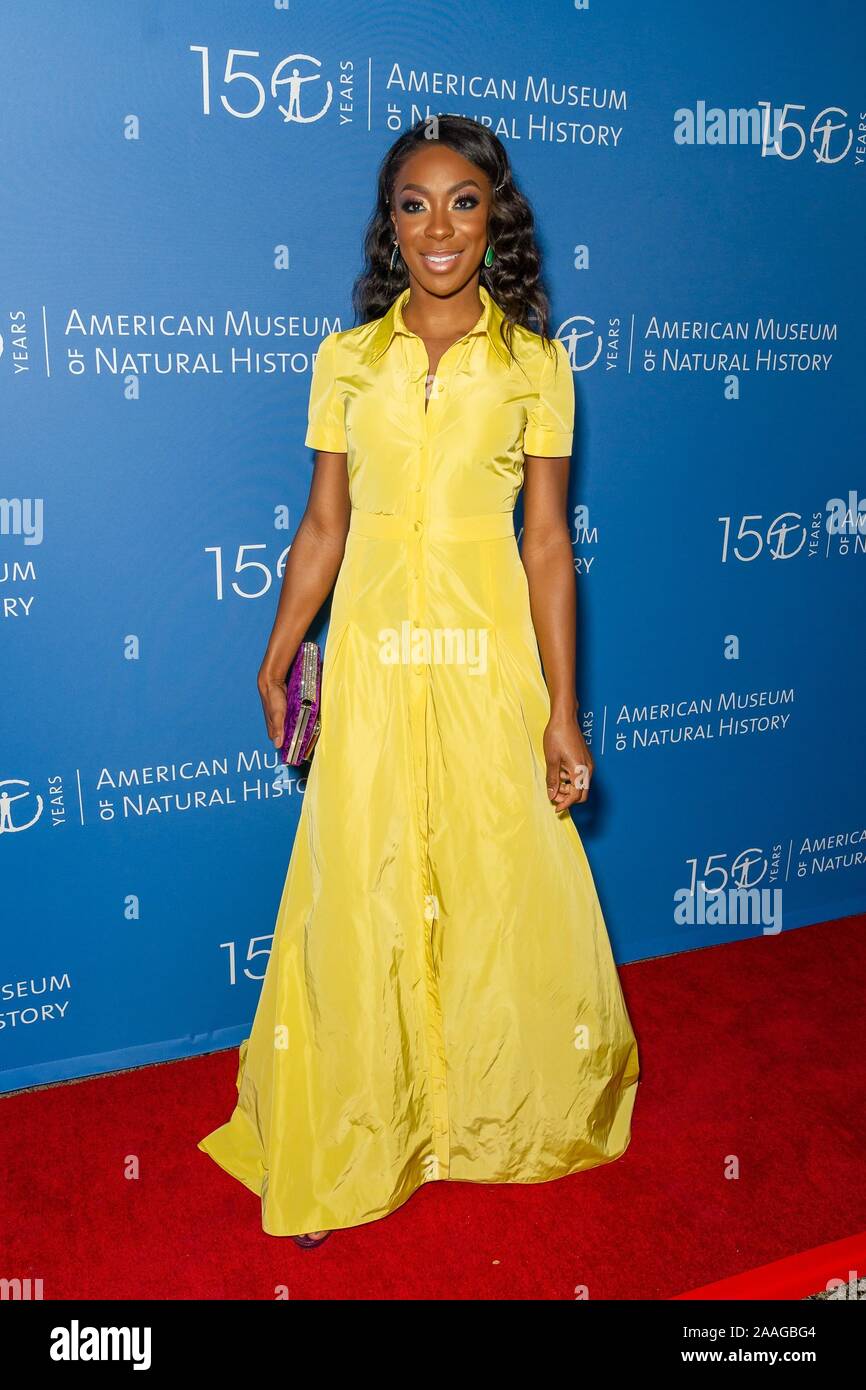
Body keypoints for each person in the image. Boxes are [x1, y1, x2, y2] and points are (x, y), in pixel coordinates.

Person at [197, 114, 640, 1248]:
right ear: (388, 227)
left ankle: (499, 1114)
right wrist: (278, 645)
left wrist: (562, 710)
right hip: (380, 645)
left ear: (495, 222)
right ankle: (358, 1129)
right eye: (412, 204)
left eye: (461, 202)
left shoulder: (536, 364)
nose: (437, 226)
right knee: (364, 868)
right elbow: (322, 524)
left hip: (488, 647)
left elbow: (546, 543)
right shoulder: (345, 359)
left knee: (501, 865)